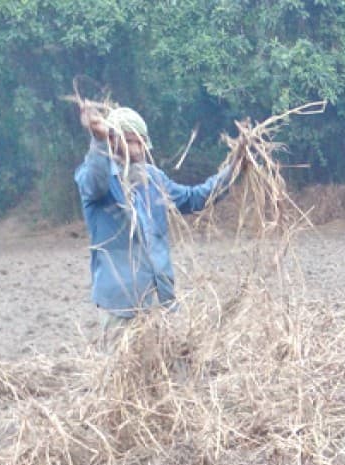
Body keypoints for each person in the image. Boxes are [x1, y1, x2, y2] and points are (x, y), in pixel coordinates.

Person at [74, 102, 234, 343]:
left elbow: (196, 197)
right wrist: (98, 141)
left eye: (139, 141)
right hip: (121, 309)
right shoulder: (97, 179)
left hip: (160, 302)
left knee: (169, 374)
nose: (136, 149)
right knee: (126, 377)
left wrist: (235, 169)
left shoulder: (154, 179)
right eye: (128, 141)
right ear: (113, 141)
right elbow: (95, 179)